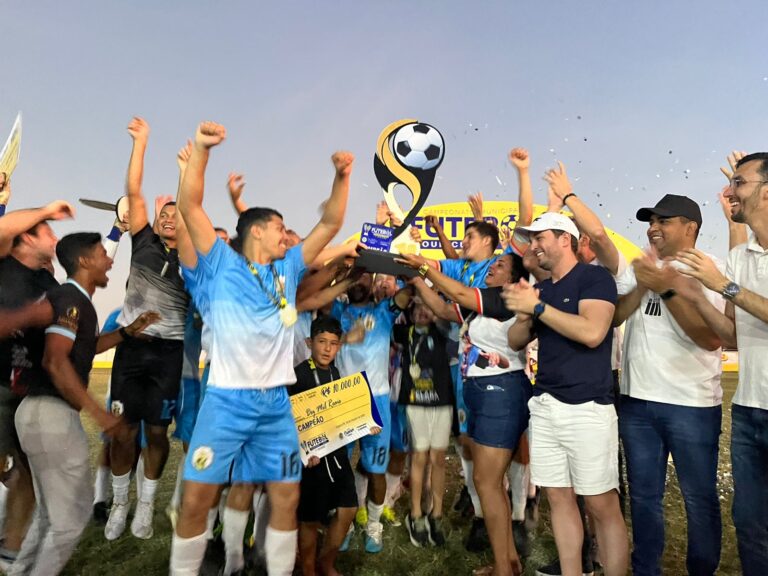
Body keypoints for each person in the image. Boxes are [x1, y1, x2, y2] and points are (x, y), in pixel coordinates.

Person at [170, 120, 353, 576]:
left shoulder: (288, 268)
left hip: (276, 406)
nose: (285, 235)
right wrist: (201, 149)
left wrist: (341, 177)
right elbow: (189, 204)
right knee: (197, 498)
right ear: (256, 232)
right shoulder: (218, 264)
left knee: (286, 496)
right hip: (227, 400)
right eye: (279, 228)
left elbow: (330, 222)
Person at [0, 232, 157, 575]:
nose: (110, 260)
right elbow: (56, 361)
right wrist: (101, 415)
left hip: (34, 413)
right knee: (72, 518)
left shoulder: (67, 299)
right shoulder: (72, 300)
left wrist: (127, 332)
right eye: (103, 253)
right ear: (85, 261)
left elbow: (85, 348)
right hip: (51, 414)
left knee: (48, 514)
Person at [503, 212, 628, 576]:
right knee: (558, 498)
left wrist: (539, 308)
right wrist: (527, 315)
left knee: (601, 504)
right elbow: (514, 341)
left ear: (564, 239)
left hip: (588, 408)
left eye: (540, 237)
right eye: (531, 239)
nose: (533, 245)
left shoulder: (594, 278)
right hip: (545, 406)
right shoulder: (542, 289)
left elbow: (592, 332)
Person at [612, 194, 724, 576]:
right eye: (651, 221)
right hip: (637, 403)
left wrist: (665, 287)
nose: (653, 228)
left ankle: (702, 570)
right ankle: (646, 569)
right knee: (644, 497)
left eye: (664, 220)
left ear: (691, 227)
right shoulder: (640, 267)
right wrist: (644, 285)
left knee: (698, 498)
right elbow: (613, 317)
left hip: (691, 405)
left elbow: (710, 338)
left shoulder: (710, 269)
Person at [400, 252, 530, 576]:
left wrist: (422, 266)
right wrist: (418, 281)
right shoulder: (483, 304)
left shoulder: (507, 298)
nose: (493, 267)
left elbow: (456, 293)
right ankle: (509, 562)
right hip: (482, 393)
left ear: (512, 278)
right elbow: (445, 308)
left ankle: (503, 568)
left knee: (486, 482)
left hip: (499, 393)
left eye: (500, 266)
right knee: (491, 483)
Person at [676, 152, 768, 576]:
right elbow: (730, 336)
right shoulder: (740, 256)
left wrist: (724, 287)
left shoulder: (732, 272)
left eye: (739, 183)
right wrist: (698, 294)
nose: (730, 192)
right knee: (749, 523)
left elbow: (732, 293)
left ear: (766, 192)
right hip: (750, 409)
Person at [105, 117, 192, 541]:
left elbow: (189, 209)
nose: (170, 218)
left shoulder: (192, 260)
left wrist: (183, 176)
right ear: (154, 222)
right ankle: (119, 504)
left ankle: (145, 506)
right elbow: (135, 192)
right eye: (164, 214)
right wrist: (141, 143)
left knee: (157, 433)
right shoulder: (142, 243)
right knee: (122, 432)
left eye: (177, 214)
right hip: (132, 350)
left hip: (169, 355)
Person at [0, 200, 73, 570]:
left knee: (25, 478)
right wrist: (45, 209)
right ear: (25, 237)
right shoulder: (3, 262)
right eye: (47, 231)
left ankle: (10, 554)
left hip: (25, 391)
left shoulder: (47, 281)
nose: (55, 236)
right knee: (12, 473)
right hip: (1, 388)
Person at [329, 272, 411, 553]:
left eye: (364, 278)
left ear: (373, 283)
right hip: (344, 398)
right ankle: (346, 523)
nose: (357, 283)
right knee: (340, 468)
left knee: (376, 468)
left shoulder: (384, 311)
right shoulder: (337, 309)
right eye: (354, 278)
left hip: (376, 400)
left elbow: (410, 291)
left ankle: (373, 525)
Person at [292, 316, 358, 576]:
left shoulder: (336, 372)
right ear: (310, 343)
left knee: (348, 508)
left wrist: (363, 423)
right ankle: (309, 570)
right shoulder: (299, 375)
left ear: (339, 346)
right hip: (312, 462)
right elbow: (291, 420)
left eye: (333, 343)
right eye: (322, 342)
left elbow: (339, 413)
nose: (328, 349)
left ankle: (326, 563)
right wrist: (303, 452)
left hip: (337, 456)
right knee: (310, 520)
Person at [393, 298, 454, 548]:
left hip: (442, 401)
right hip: (415, 401)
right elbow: (394, 307)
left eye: (427, 308)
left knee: (438, 459)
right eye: (417, 308)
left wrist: (433, 303)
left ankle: (436, 514)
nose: (422, 312)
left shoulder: (444, 331)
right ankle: (415, 514)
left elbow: (448, 321)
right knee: (418, 457)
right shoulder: (402, 332)